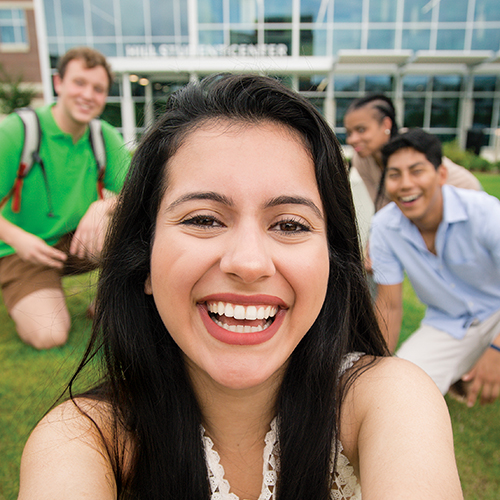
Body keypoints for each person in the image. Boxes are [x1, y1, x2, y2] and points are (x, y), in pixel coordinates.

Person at [18, 75, 462, 499]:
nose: (248, 263)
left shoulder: (392, 399)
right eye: (204, 219)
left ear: (332, 261)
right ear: (145, 260)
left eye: (290, 224)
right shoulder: (78, 441)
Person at [0, 46, 130, 349]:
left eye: (98, 89)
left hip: (75, 241)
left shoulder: (103, 136)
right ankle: (32, 293)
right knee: (49, 336)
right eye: (79, 83)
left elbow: (140, 195)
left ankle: (105, 303)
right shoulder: (17, 131)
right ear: (59, 83)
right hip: (22, 251)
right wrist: (19, 239)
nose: (88, 95)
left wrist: (104, 206)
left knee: (137, 229)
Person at [370, 128, 500, 408]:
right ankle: (462, 370)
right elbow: (389, 306)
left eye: (417, 171)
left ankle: (471, 367)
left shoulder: (485, 212)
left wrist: (497, 349)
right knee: (396, 391)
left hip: (496, 312)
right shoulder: (384, 227)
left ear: (441, 174)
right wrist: (377, 368)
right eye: (394, 175)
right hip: (447, 322)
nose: (405, 184)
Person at [344, 94, 481, 212]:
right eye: (349, 133)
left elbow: (467, 184)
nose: (352, 139)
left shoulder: (411, 144)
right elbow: (383, 208)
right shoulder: (361, 159)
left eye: (361, 130)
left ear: (386, 125)